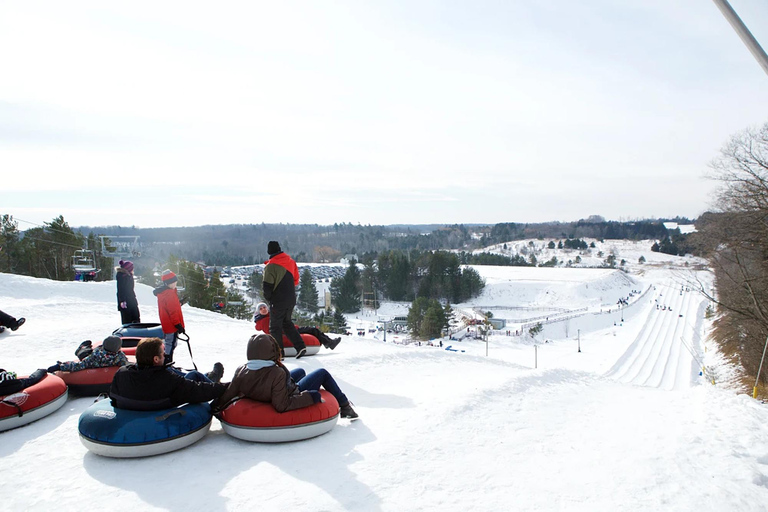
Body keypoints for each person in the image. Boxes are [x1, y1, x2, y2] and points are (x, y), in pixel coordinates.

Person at [212, 333, 358, 419]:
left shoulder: (242, 369)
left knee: (300, 371)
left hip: (264, 388)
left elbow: (230, 391)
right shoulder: (276, 373)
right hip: (287, 391)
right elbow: (281, 405)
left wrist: (216, 406)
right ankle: (345, 406)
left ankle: (345, 406)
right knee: (322, 373)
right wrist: (310, 396)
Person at [109, 337, 227, 411]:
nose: (165, 356)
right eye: (163, 353)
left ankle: (207, 375)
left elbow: (113, 398)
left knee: (169, 369)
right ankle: (211, 379)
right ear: (155, 359)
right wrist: (230, 386)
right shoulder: (170, 381)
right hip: (162, 393)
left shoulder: (121, 374)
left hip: (150, 381)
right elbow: (200, 390)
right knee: (194, 375)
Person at [262, 241, 307, 358]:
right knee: (287, 323)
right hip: (291, 298)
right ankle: (300, 346)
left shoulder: (271, 266)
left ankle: (279, 353)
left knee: (275, 327)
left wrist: (269, 299)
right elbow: (296, 280)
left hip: (278, 300)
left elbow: (267, 286)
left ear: (269, 252)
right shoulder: (291, 262)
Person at [254, 302, 341, 350]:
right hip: (289, 331)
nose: (263, 310)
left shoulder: (271, 316)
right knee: (313, 330)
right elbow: (272, 331)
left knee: (312, 330)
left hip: (291, 329)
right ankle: (329, 343)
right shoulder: (264, 320)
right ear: (258, 312)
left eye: (264, 307)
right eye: (261, 309)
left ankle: (328, 342)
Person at [46, 335, 129, 373]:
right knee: (84, 354)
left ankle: (84, 348)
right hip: (92, 356)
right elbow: (126, 364)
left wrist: (60, 366)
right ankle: (82, 348)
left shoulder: (96, 354)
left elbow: (78, 365)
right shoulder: (119, 356)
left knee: (84, 358)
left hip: (92, 358)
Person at [153, 270, 185, 363]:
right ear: (168, 283)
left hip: (166, 324)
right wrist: (178, 324)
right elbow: (173, 312)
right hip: (172, 325)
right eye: (173, 282)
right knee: (170, 344)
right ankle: (167, 363)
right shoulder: (169, 294)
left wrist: (179, 303)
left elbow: (169, 307)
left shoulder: (163, 293)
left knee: (169, 343)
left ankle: (166, 361)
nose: (175, 284)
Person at [116, 259, 140, 325]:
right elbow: (121, 290)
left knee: (136, 318)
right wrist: (122, 301)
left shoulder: (129, 276)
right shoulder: (122, 276)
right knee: (127, 320)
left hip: (132, 300)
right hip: (126, 302)